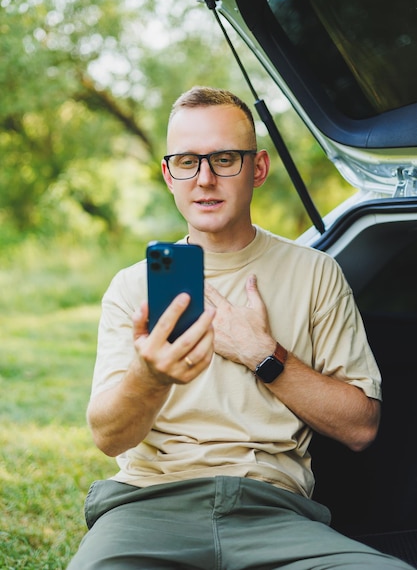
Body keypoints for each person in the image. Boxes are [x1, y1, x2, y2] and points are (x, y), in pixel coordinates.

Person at [68, 86, 413, 570]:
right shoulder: (133, 287)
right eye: (187, 161)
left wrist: (263, 353)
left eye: (224, 158)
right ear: (168, 174)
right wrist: (151, 376)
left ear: (258, 168)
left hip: (275, 513)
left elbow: (361, 427)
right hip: (148, 509)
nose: (204, 179)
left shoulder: (314, 273)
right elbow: (109, 437)